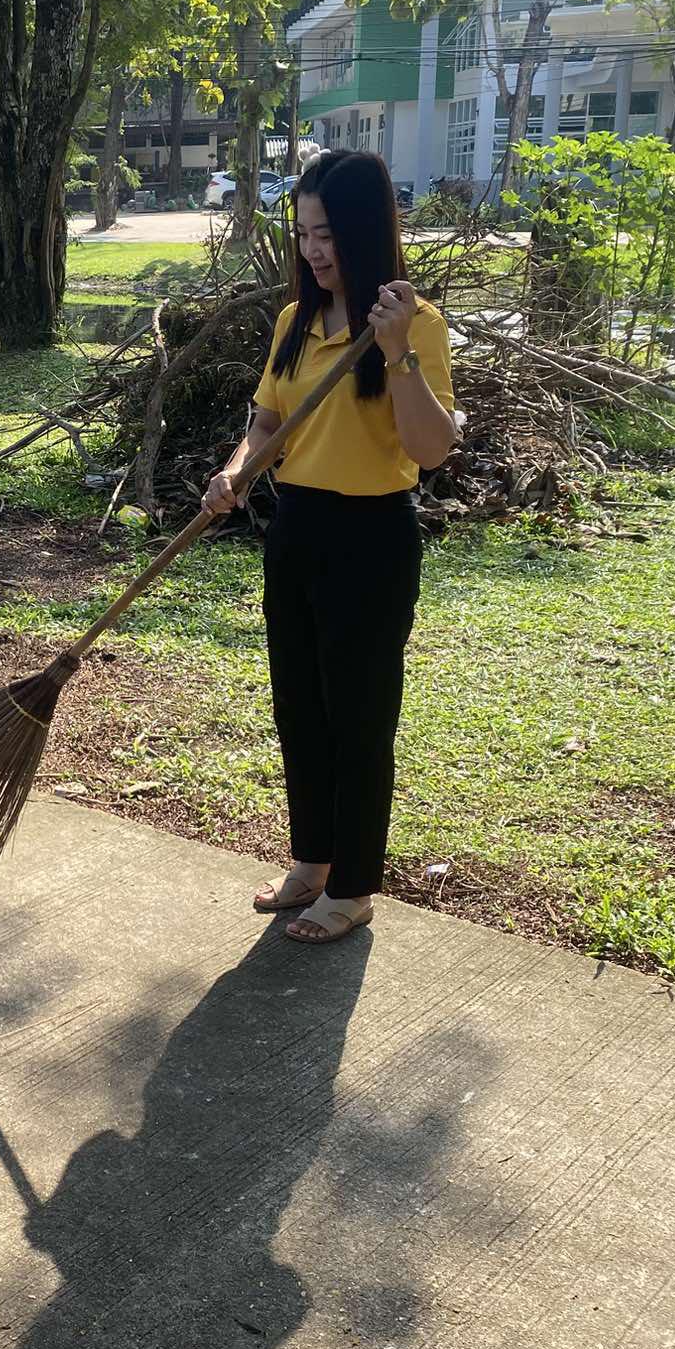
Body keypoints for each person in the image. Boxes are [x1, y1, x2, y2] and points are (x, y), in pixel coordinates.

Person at [201, 150, 459, 944]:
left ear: (365, 231)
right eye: (305, 233)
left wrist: (396, 355)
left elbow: (431, 449)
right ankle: (311, 862)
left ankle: (353, 886)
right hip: (297, 528)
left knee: (359, 713)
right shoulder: (295, 322)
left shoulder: (414, 325)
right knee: (299, 707)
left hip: (371, 538)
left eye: (328, 234)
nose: (314, 250)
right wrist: (235, 473)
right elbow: (269, 425)